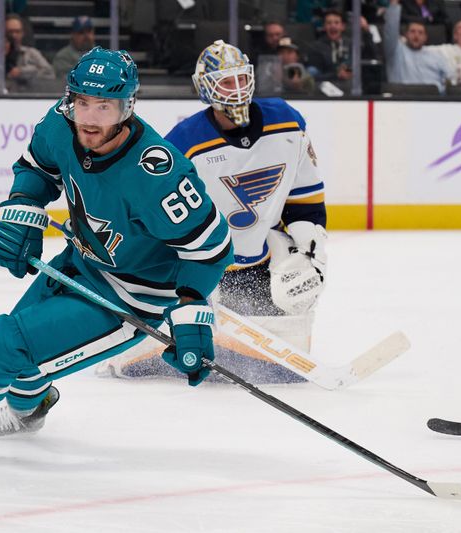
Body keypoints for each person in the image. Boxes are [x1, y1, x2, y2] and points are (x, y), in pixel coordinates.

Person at [0, 47, 233, 456]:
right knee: (21, 367)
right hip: (81, 261)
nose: (88, 117)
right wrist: (22, 217)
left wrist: (192, 314)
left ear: (127, 107)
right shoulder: (60, 124)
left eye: (103, 106)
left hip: (130, 297)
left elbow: (210, 248)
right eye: (82, 102)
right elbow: (37, 168)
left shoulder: (156, 173)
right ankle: (32, 410)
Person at [98, 41, 326, 385]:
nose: (236, 90)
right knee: (140, 361)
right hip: (203, 262)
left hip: (258, 260)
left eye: (240, 79)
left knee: (286, 352)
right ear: (205, 88)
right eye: (225, 82)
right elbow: (158, 215)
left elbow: (305, 197)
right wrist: (188, 280)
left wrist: (312, 252)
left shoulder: (288, 122)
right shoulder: (184, 143)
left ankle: (228, 340)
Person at [383, 0, 453, 92]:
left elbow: (449, 80)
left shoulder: (436, 55)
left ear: (425, 38)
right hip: (402, 101)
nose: (416, 36)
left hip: (433, 102)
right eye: (412, 31)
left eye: (420, 33)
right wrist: (394, 4)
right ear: (405, 35)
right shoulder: (395, 50)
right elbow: (390, 29)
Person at [5, 13, 55, 81]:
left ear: (22, 33)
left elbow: (50, 73)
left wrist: (22, 72)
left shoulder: (31, 53)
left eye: (17, 31)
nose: (14, 36)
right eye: (10, 32)